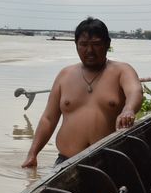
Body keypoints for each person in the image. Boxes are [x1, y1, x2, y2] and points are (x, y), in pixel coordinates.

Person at [21, 17, 143, 168]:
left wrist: (128, 109)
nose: (89, 51)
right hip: (65, 162)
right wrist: (32, 154)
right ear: (76, 45)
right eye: (83, 44)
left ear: (107, 44)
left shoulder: (122, 70)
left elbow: (135, 91)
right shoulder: (65, 75)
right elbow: (48, 119)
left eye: (96, 44)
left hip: (110, 161)